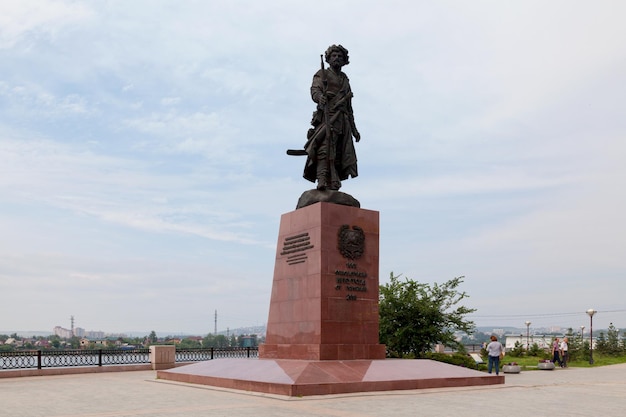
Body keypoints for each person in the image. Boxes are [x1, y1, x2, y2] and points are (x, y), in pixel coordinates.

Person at [303, 44, 361, 191]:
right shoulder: (322, 74)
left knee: (339, 152)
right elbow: (315, 90)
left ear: (344, 61)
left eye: (340, 56)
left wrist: (354, 130)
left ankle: (333, 180)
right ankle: (322, 179)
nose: (337, 58)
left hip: (343, 121)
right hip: (327, 117)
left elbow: (349, 107)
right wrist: (320, 97)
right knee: (324, 149)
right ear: (328, 59)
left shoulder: (345, 80)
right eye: (334, 56)